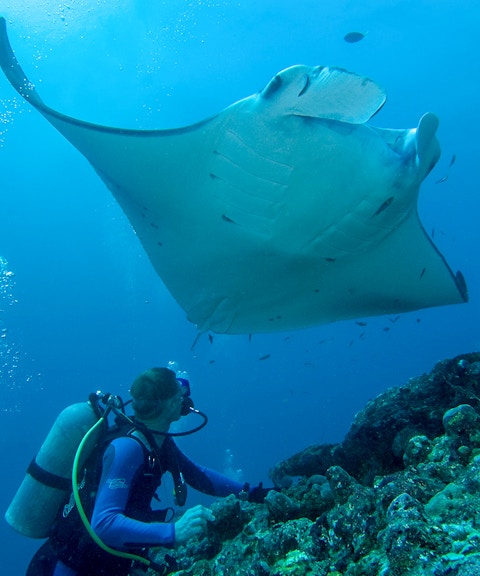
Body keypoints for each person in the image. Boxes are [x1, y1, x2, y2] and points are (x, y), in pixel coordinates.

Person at [26, 367, 271, 576]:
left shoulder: (156, 440)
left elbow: (198, 475)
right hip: (67, 568)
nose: (185, 400)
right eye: (179, 394)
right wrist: (174, 531)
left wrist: (254, 493)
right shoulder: (128, 448)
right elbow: (104, 523)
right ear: (172, 403)